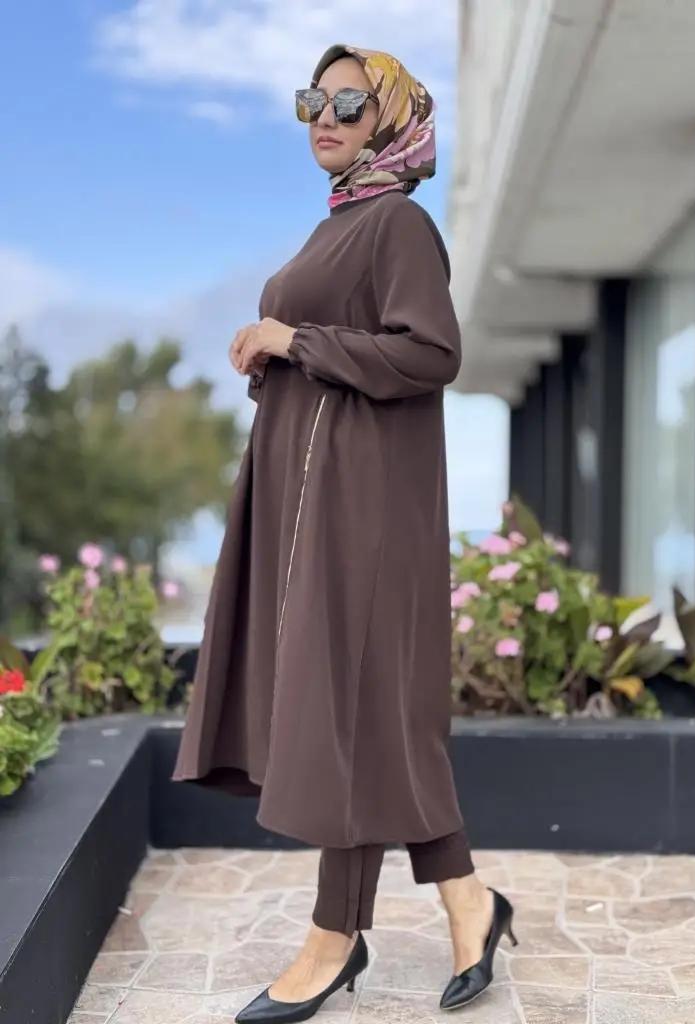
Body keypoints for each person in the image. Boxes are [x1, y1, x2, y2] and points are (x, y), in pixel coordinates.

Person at [172, 43, 517, 1023]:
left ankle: (335, 938)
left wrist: (296, 339)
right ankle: (469, 902)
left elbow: (432, 352)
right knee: (367, 711)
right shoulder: (341, 221)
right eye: (312, 101)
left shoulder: (397, 221)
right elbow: (343, 353)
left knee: (357, 706)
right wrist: (276, 358)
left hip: (366, 502)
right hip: (313, 494)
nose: (324, 116)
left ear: (392, 116)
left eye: (349, 103)